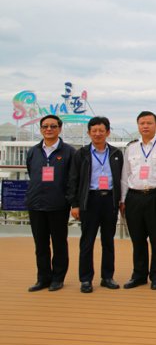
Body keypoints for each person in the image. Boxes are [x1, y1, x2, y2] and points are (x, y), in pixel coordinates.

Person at [67, 116, 123, 294]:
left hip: (109, 200)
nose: (98, 134)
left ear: (108, 132)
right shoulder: (81, 154)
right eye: (94, 131)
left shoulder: (116, 153)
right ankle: (85, 279)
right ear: (89, 133)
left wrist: (121, 200)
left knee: (108, 241)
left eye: (101, 130)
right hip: (89, 200)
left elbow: (122, 179)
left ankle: (107, 277)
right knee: (87, 241)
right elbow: (73, 180)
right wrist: (75, 204)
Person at [120, 111, 156, 290]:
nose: (145, 126)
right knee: (138, 239)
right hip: (134, 197)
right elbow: (125, 176)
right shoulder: (131, 148)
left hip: (155, 196)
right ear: (138, 126)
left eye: (149, 123)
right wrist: (122, 200)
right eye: (142, 123)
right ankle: (139, 275)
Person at [25, 114, 76, 292]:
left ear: (59, 129)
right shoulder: (33, 151)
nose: (49, 129)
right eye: (45, 126)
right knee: (40, 245)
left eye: (53, 126)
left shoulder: (69, 152)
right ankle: (43, 278)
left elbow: (72, 180)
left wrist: (70, 201)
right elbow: (32, 173)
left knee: (59, 243)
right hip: (36, 204)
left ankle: (58, 278)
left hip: (58, 205)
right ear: (41, 129)